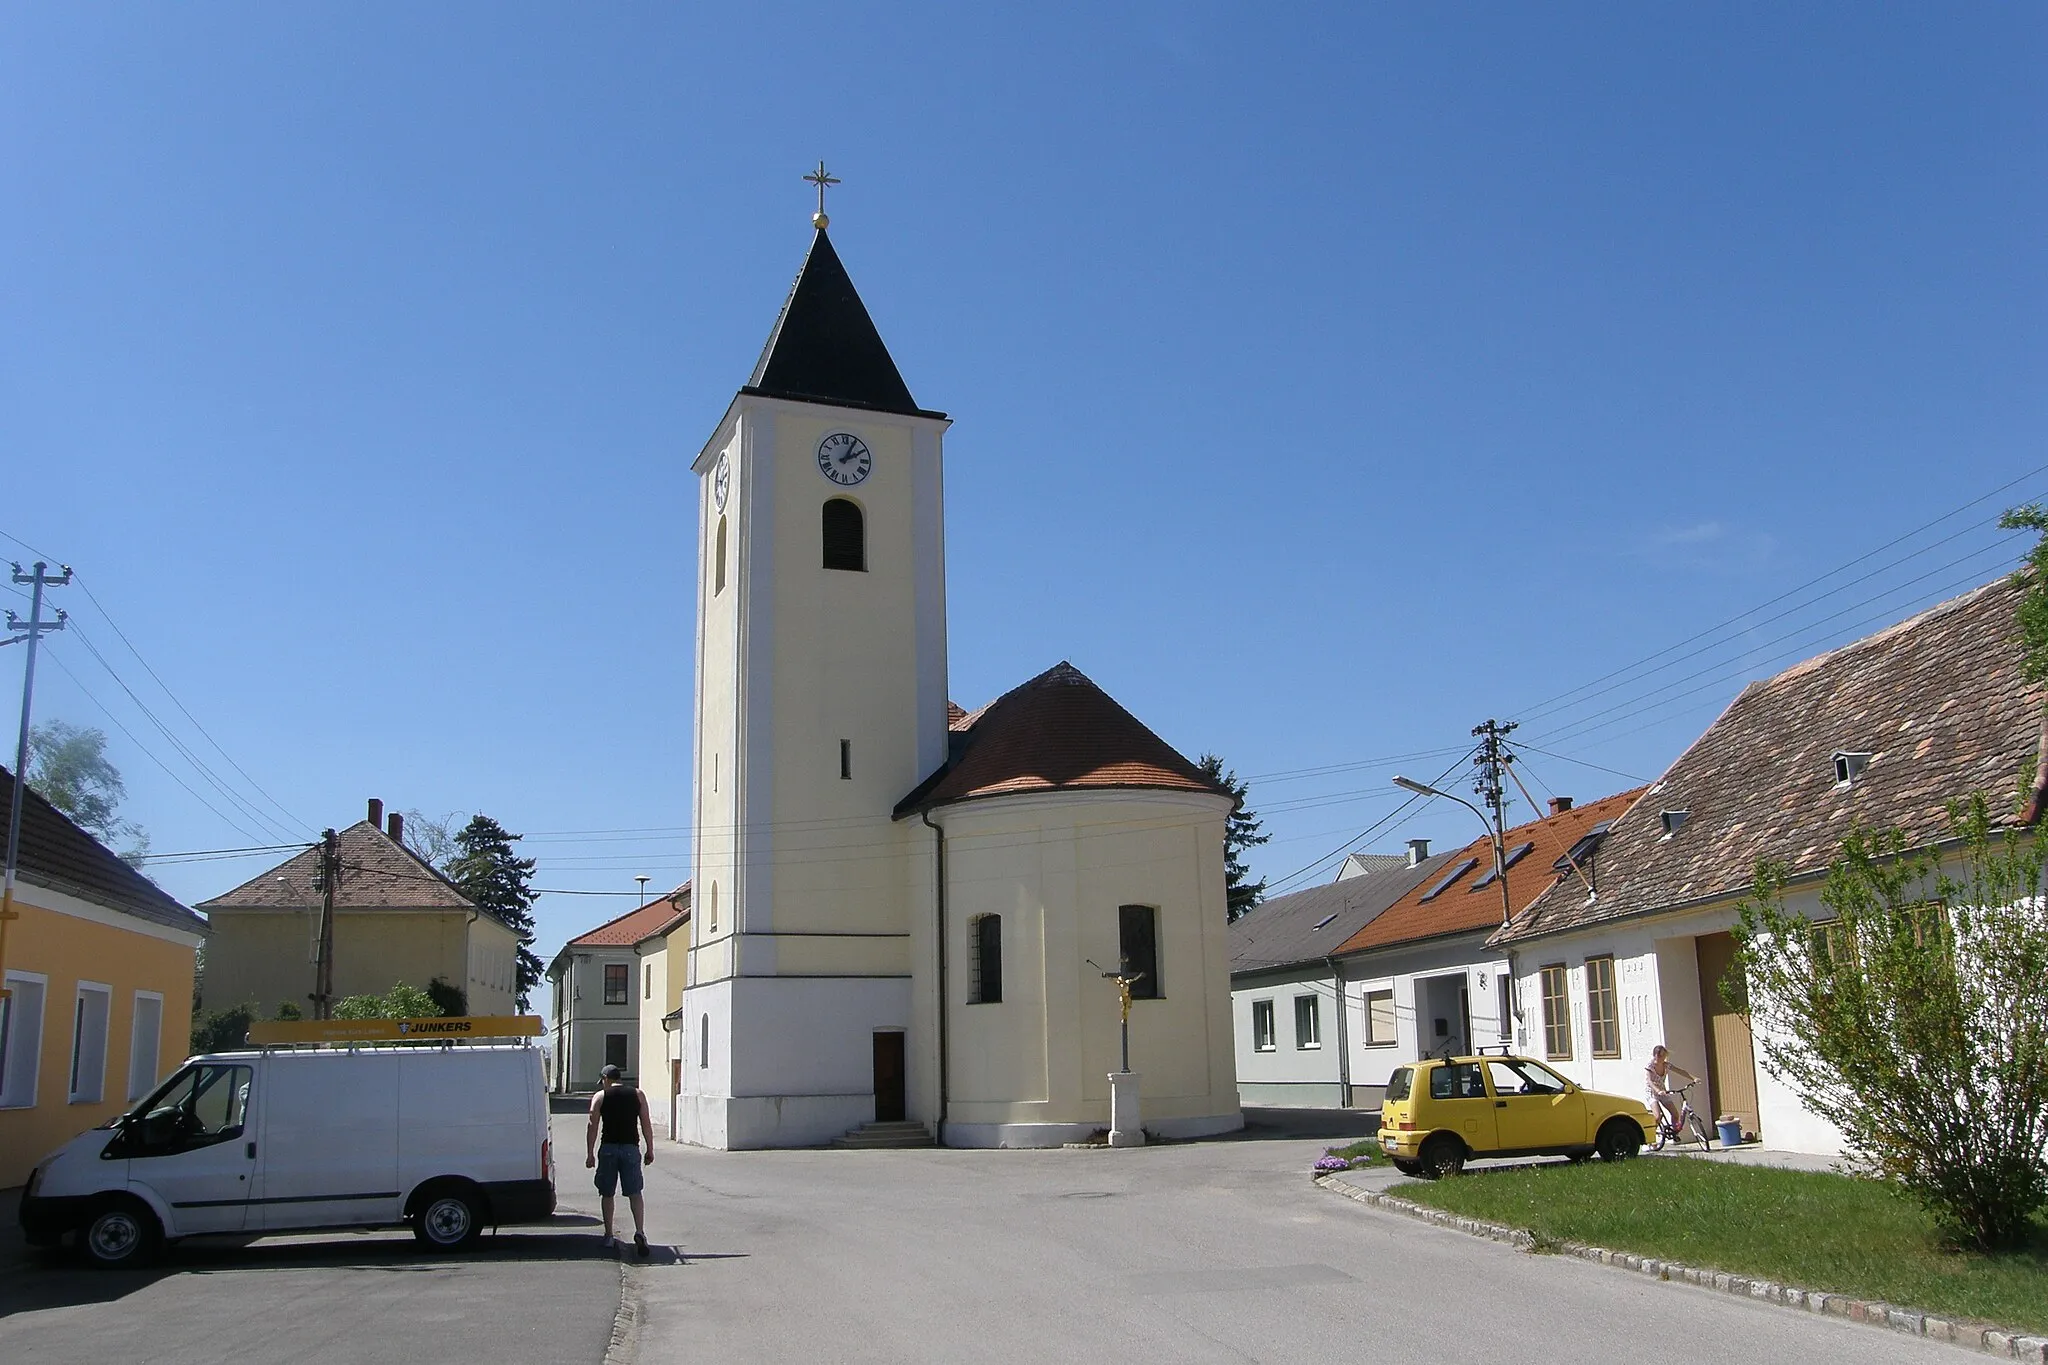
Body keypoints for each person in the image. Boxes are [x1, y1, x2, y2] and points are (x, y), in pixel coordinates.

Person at [586, 1063, 654, 1256]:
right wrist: (650, 1149)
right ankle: (640, 1231)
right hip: (631, 1148)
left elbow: (592, 1126)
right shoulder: (638, 1094)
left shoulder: (600, 1097)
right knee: (635, 1192)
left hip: (608, 1148)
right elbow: (646, 1123)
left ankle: (608, 1236)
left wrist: (590, 1153)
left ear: (606, 1079)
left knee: (607, 1193)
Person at [1644, 1044, 1697, 1132]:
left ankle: (1674, 1132)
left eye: (1665, 1056)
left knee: (1675, 1114)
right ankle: (1651, 1136)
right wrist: (1658, 1090)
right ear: (1656, 1056)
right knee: (1657, 1116)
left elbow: (1680, 1071)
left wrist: (1694, 1078)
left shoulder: (1666, 1065)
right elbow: (1649, 1081)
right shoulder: (1650, 1066)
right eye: (1663, 1056)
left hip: (1663, 1092)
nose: (1664, 1058)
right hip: (1652, 1092)